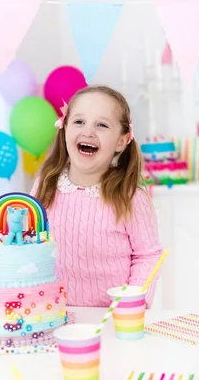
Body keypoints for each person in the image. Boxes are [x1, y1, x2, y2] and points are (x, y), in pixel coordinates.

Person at [31, 85, 163, 308]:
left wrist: (132, 301)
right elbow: (29, 245)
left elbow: (147, 256)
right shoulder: (45, 185)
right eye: (79, 122)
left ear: (121, 141)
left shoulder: (130, 197)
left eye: (101, 125)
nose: (88, 132)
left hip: (112, 319)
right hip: (52, 314)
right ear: (64, 130)